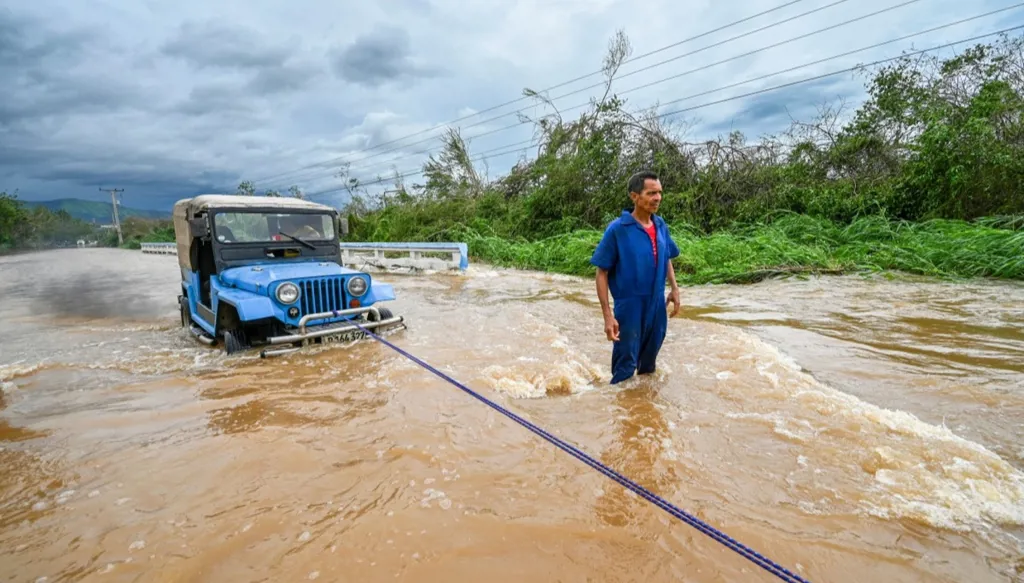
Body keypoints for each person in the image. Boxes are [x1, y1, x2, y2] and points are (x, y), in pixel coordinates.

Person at [590, 170, 681, 384]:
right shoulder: (618, 229)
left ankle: (643, 412)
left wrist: (674, 288)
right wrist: (607, 316)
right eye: (651, 193)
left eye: (659, 193)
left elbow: (667, 256)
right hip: (629, 307)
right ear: (634, 196)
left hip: (657, 305)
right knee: (624, 369)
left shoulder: (660, 226)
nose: (657, 198)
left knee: (649, 368)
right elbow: (601, 272)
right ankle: (620, 414)